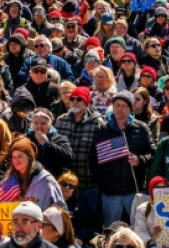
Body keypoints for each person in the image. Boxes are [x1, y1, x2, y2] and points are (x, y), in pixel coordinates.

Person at [89, 90, 154, 226]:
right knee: (110, 230)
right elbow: (93, 158)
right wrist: (101, 182)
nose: (120, 109)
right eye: (117, 105)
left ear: (130, 108)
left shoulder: (141, 128)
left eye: (124, 106)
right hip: (110, 193)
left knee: (139, 227)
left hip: (134, 190)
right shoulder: (102, 129)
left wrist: (139, 159)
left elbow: (152, 153)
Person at [52, 86, 103, 241]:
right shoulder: (61, 120)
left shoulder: (98, 123)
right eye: (72, 98)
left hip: (88, 183)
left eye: (79, 99)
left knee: (90, 223)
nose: (74, 101)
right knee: (63, 221)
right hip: (65, 185)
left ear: (86, 102)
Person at [0, 137, 65, 210]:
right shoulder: (10, 179)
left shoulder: (46, 181)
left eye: (20, 156)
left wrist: (46, 216)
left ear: (30, 158)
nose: (16, 160)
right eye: (13, 157)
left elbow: (61, 210)